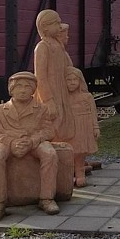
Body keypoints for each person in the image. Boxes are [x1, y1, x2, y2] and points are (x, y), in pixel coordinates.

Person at [0, 72, 60, 221]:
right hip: (6, 142)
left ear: (33, 90)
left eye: (27, 86)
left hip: (34, 141)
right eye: (19, 86)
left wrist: (32, 141)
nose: (23, 90)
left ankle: (47, 199)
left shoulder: (41, 109)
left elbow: (49, 131)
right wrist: (11, 142)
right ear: (11, 89)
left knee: (50, 154)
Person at [33, 10, 74, 142]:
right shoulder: (42, 47)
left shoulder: (57, 46)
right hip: (49, 92)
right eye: (56, 23)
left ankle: (65, 152)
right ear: (45, 27)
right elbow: (40, 77)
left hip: (61, 89)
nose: (59, 26)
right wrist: (48, 100)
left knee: (63, 120)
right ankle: (53, 151)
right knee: (52, 120)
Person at [65, 67, 100, 187]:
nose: (72, 82)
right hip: (69, 127)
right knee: (69, 151)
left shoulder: (87, 97)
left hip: (83, 126)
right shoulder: (63, 98)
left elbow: (93, 113)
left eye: (75, 79)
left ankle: (80, 173)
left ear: (80, 81)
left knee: (80, 152)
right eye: (68, 80)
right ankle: (69, 174)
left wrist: (95, 127)